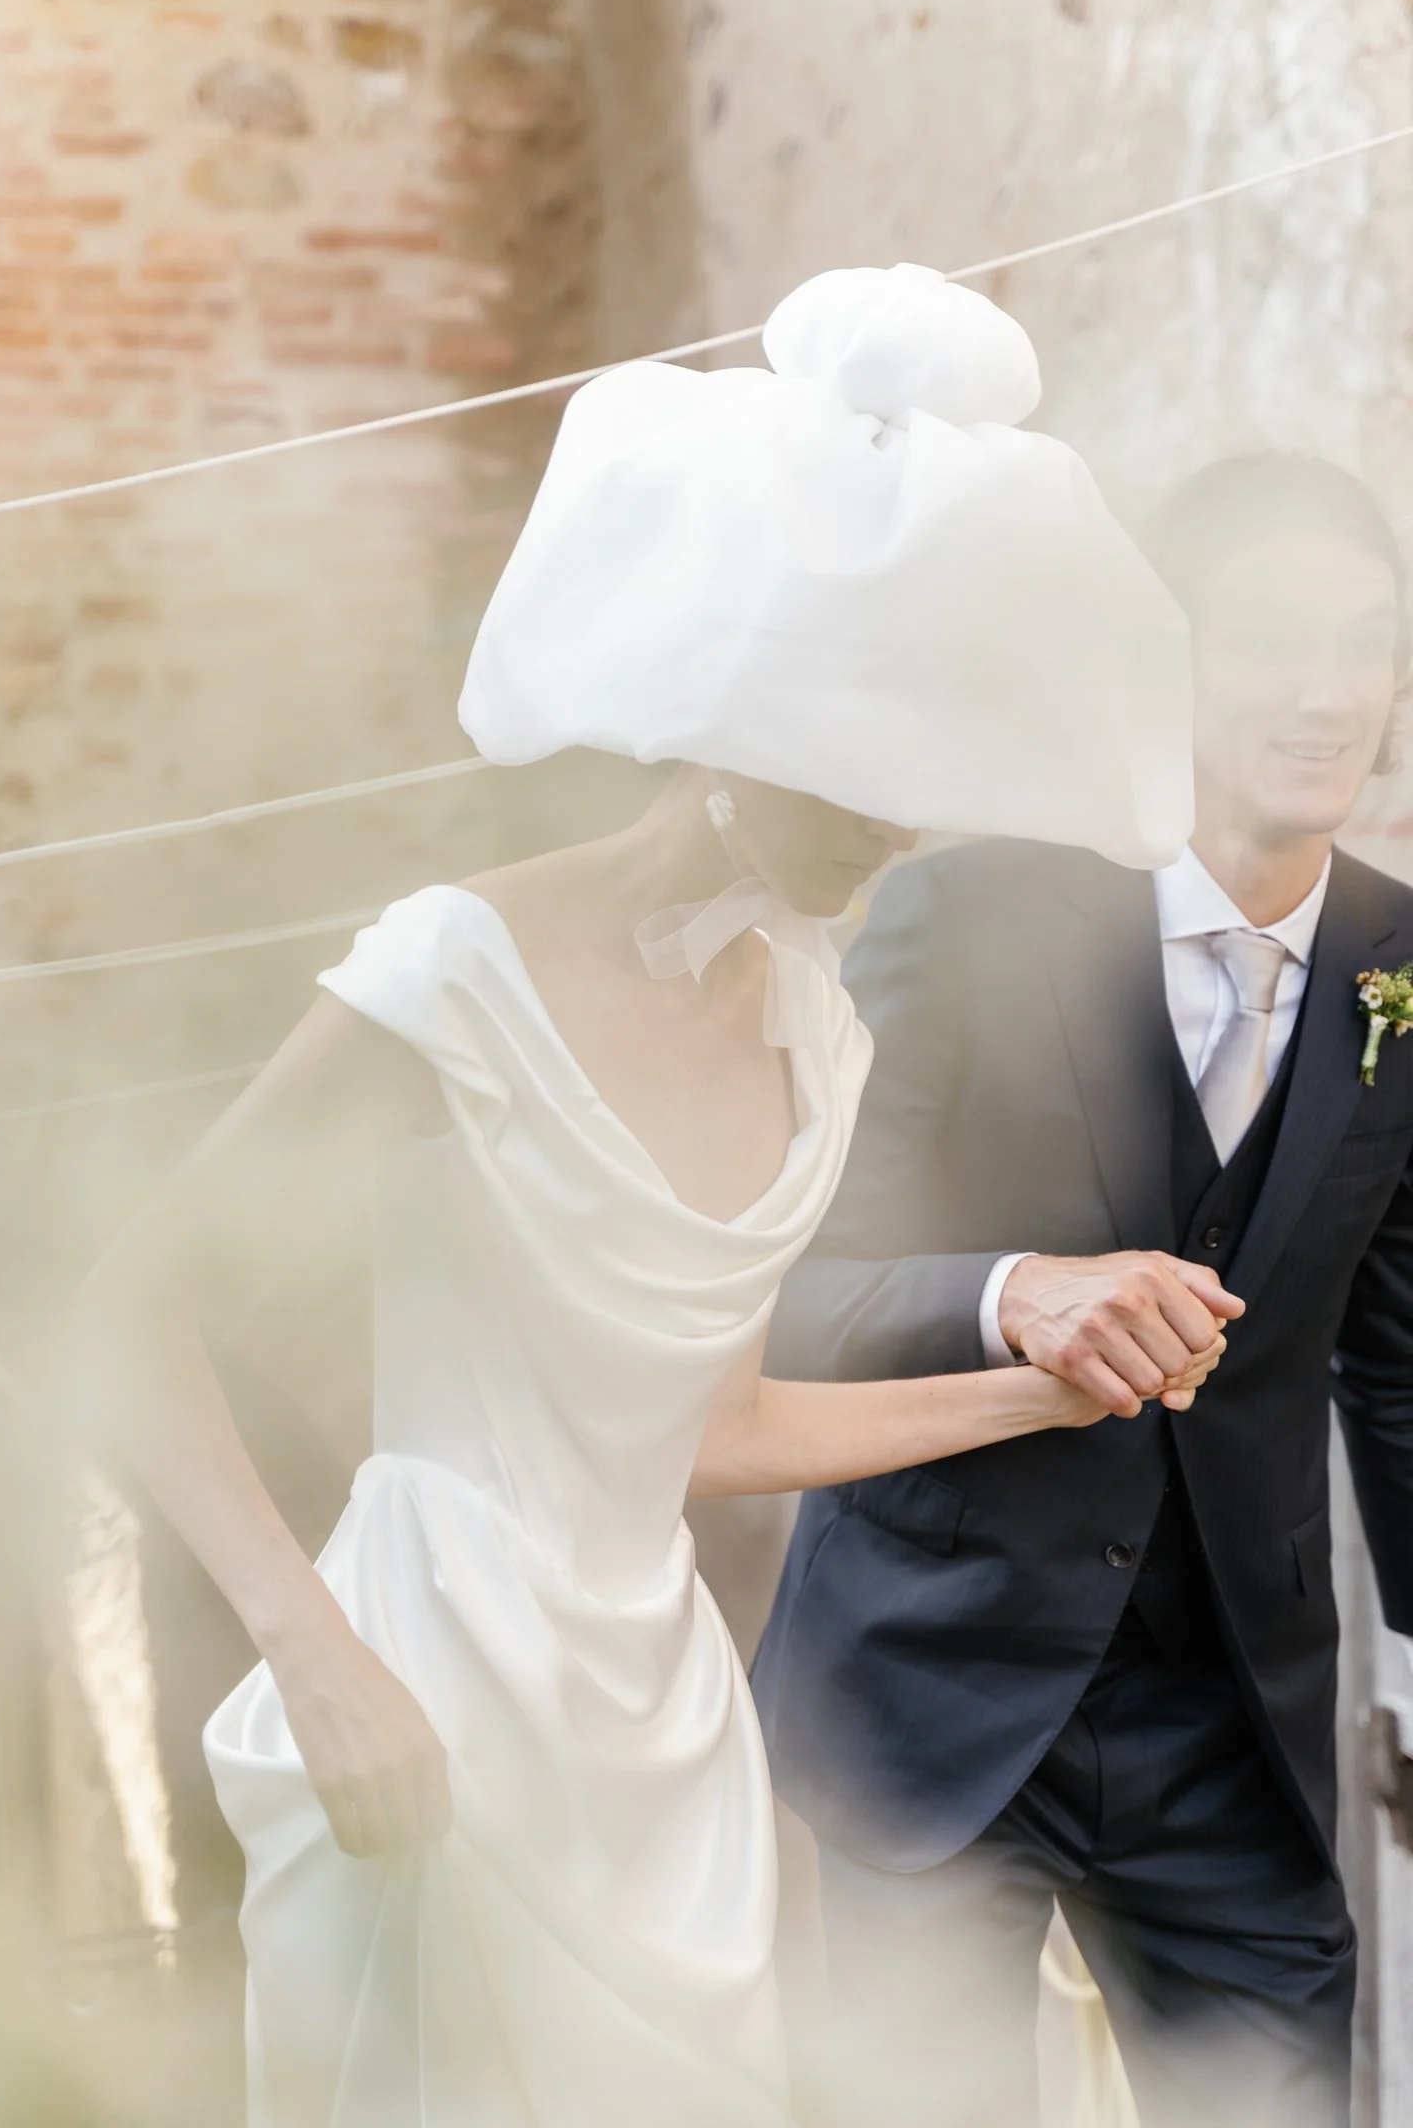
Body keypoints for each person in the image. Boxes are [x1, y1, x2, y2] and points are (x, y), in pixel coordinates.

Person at [70, 263, 1208, 2128]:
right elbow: (120, 1303)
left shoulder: (815, 1034)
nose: (899, 828)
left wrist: (1051, 1383)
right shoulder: (454, 968)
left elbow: (720, 1428)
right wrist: (319, 1653)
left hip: (666, 1729)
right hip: (422, 1679)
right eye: (870, 777)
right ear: (738, 720)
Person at [756, 450, 1413, 2128]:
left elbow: (1397, 1368)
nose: (1328, 693)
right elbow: (783, 1298)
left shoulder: (1402, 971)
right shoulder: (968, 919)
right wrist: (1010, 1291)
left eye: (1368, 640)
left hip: (1232, 1727)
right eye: (1272, 640)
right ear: (1165, 658)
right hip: (935, 1694)